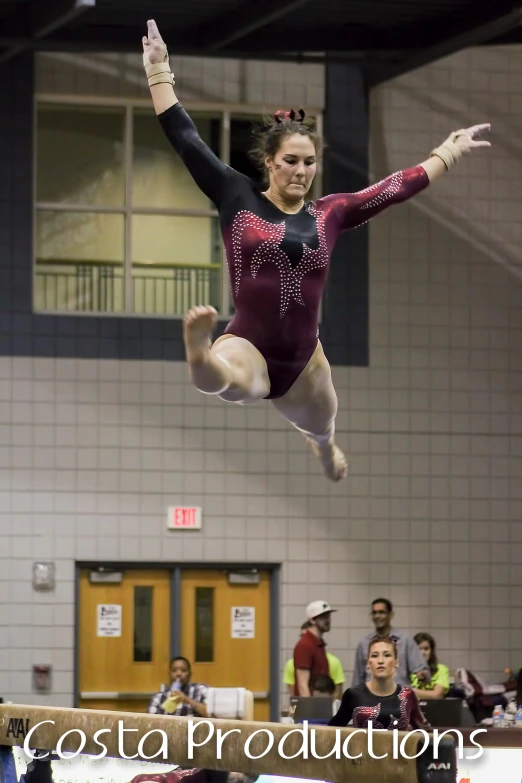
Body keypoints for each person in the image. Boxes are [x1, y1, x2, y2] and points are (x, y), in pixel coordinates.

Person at [142, 19, 490, 483]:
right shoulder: (235, 195)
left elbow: (395, 188)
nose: (301, 171)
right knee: (227, 383)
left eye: (309, 162)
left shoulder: (331, 212)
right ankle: (197, 349)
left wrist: (448, 151)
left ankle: (323, 450)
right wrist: (158, 71)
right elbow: (186, 138)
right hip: (248, 344)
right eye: (290, 161)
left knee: (324, 426)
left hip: (306, 359)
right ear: (269, 163)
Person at [329, 636, 430, 730]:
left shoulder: (408, 695)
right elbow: (332, 730)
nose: (380, 661)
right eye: (374, 655)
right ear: (368, 663)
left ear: (396, 662)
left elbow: (425, 734)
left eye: (387, 655)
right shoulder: (353, 695)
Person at [352, 598, 430, 688]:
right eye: (374, 613)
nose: (377, 616)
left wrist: (423, 675)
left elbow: (424, 672)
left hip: (399, 697)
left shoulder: (405, 641)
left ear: (391, 615)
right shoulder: (364, 644)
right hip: (371, 698)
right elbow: (357, 678)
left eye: (381, 612)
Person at [283, 621, 345, 698]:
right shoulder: (291, 664)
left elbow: (337, 694)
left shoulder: (333, 662)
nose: (305, 639)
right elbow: (294, 696)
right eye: (302, 636)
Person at [293, 601, 335, 696]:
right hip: (309, 707)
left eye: (328, 616)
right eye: (323, 617)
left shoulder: (318, 644)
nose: (327, 620)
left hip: (319, 703)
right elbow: (302, 685)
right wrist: (310, 710)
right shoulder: (305, 645)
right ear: (312, 620)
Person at [410, 632, 450, 700]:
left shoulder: (441, 670)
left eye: (426, 649)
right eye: (419, 649)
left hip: (434, 709)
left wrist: (411, 692)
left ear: (431, 651)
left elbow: (437, 695)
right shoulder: (405, 670)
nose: (423, 653)